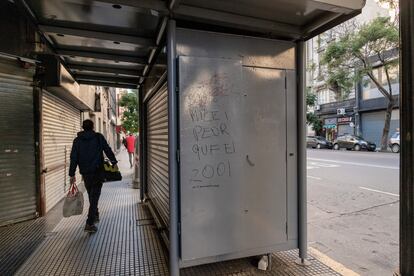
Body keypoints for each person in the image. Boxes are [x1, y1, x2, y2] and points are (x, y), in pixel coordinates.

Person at [69, 119, 118, 233]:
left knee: (92, 195)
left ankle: (95, 214)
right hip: (97, 172)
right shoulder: (98, 137)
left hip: (85, 173)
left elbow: (74, 158)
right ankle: (89, 223)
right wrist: (114, 161)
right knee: (94, 197)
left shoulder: (77, 141)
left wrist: (72, 174)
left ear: (82, 127)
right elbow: (107, 149)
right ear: (93, 126)